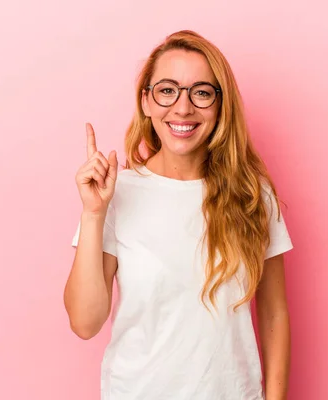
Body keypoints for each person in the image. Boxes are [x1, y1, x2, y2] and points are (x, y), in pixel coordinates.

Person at [64, 30, 293, 400]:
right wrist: (93, 214)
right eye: (167, 90)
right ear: (146, 102)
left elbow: (274, 314)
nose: (183, 108)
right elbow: (85, 322)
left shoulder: (252, 195)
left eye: (201, 92)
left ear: (220, 104)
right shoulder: (115, 195)